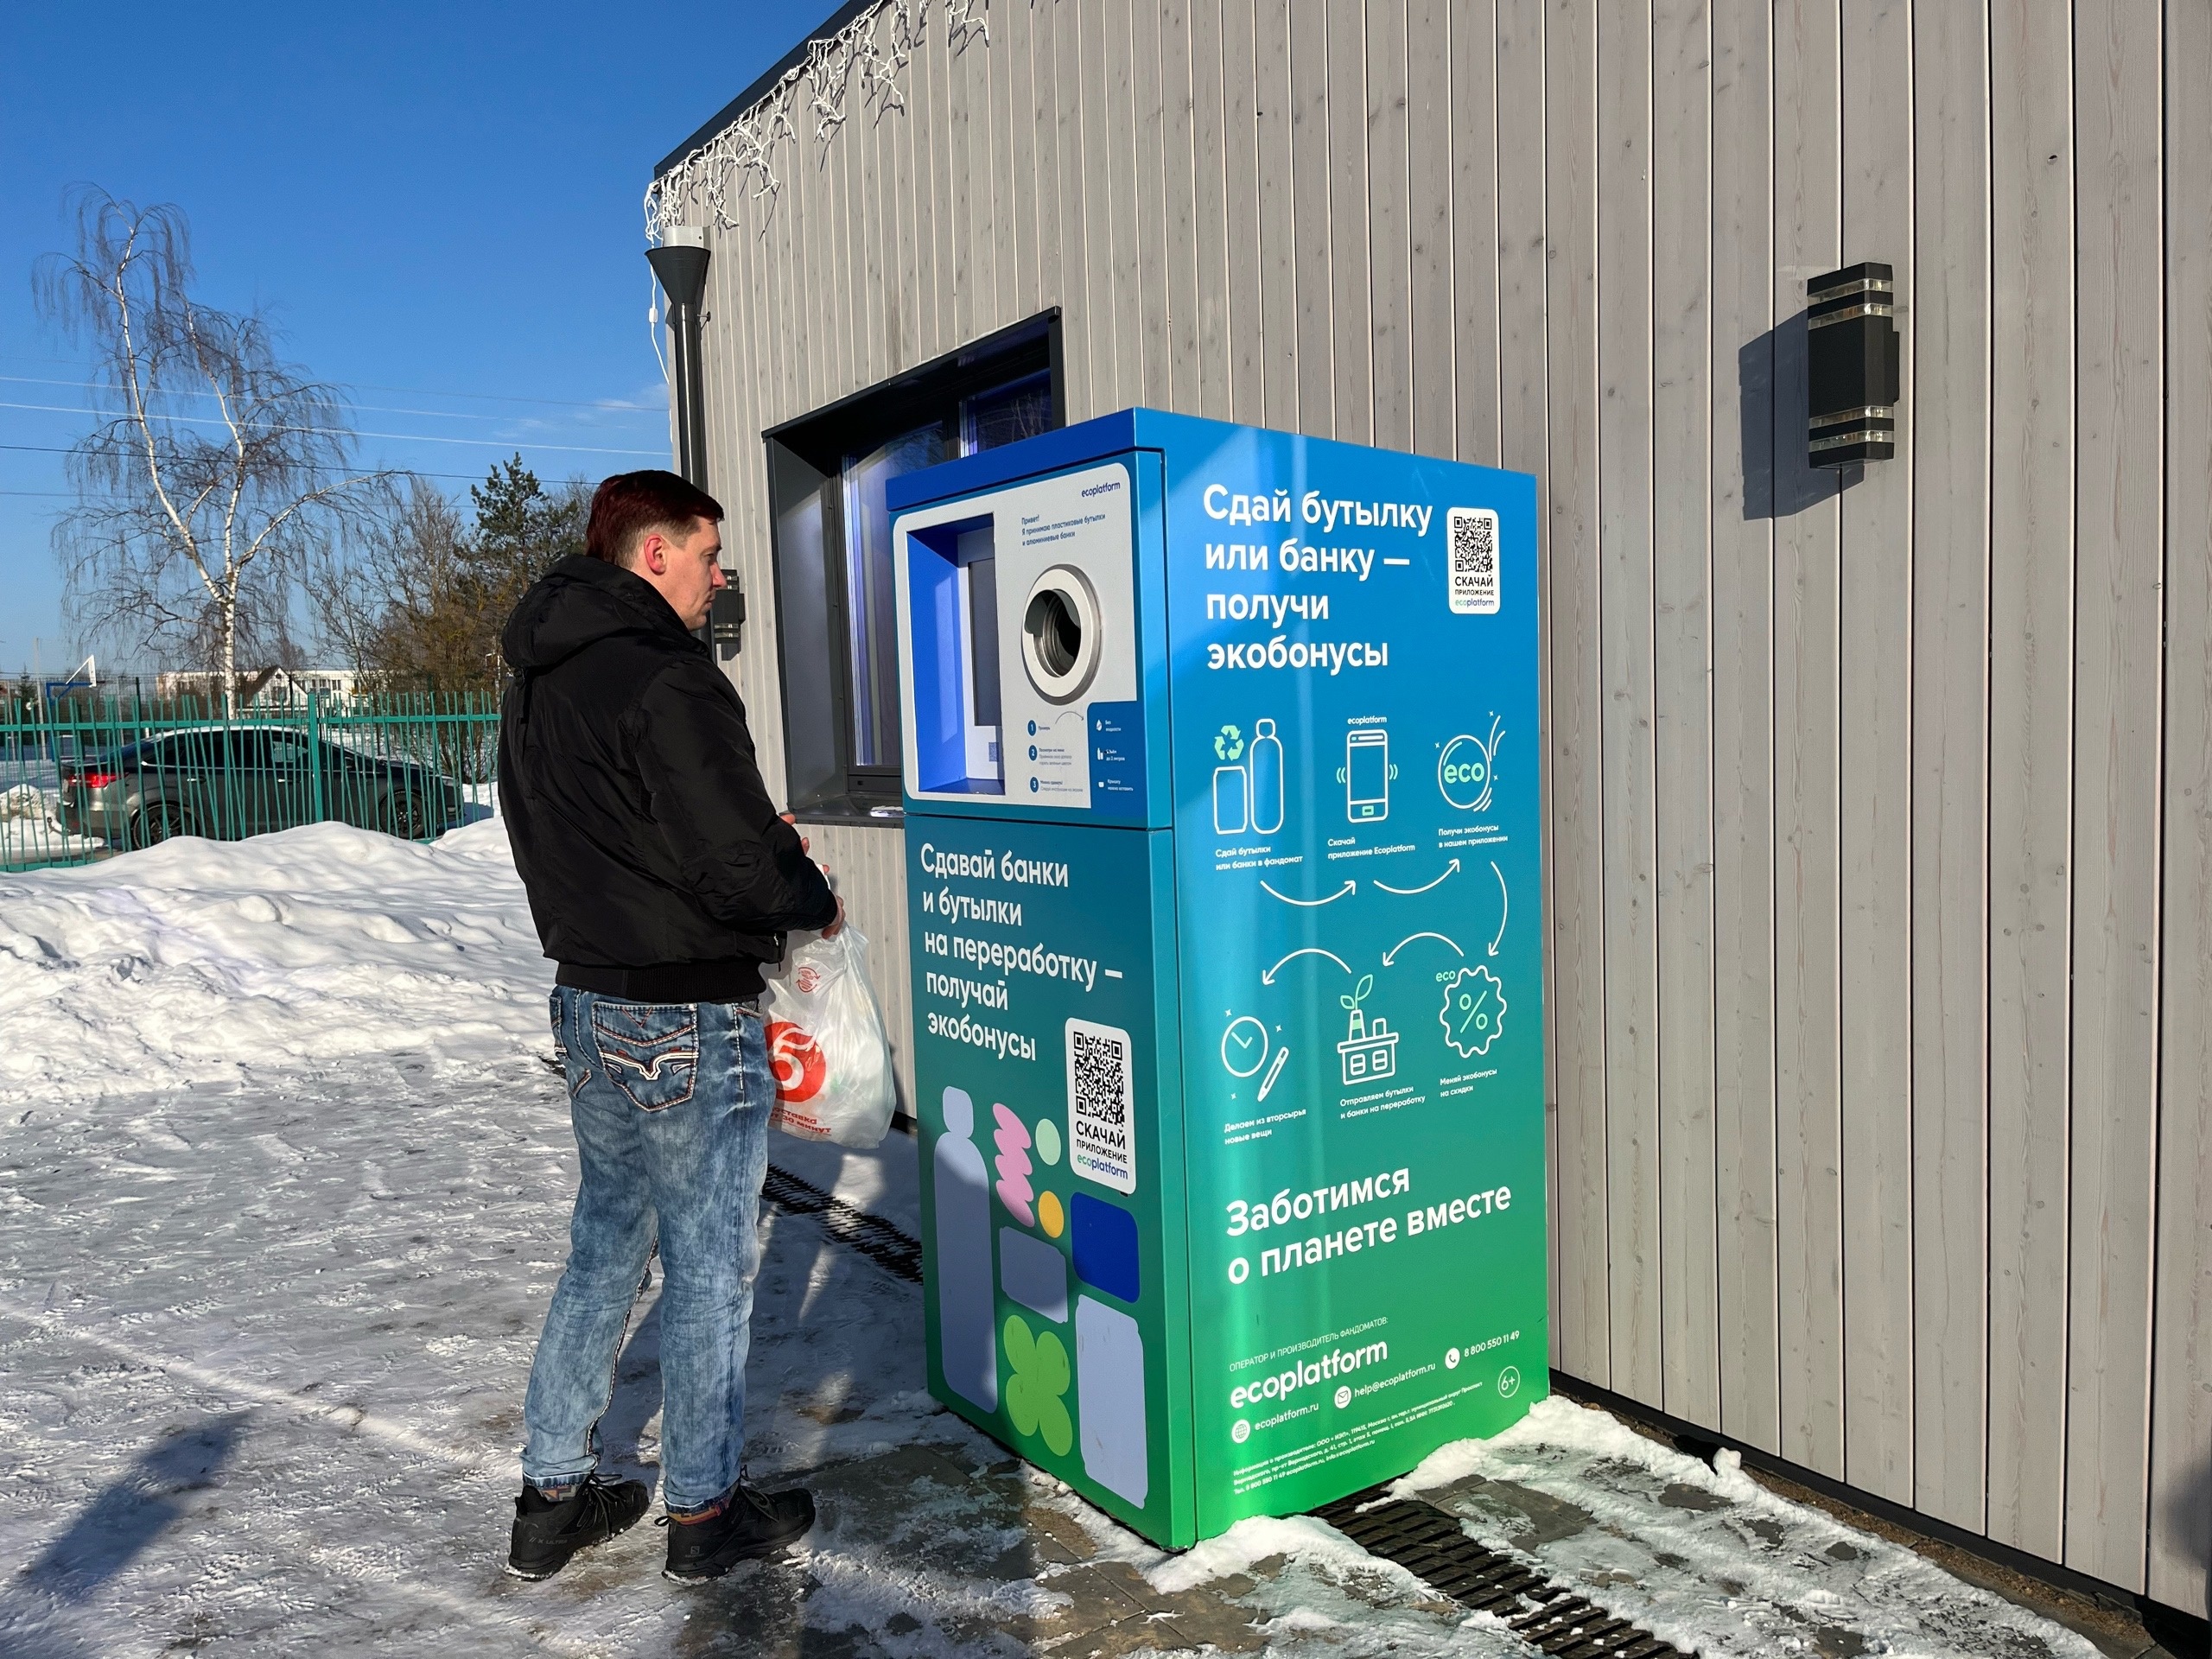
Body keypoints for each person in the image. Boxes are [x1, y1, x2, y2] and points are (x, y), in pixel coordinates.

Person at [495, 469, 842, 1584]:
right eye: (708, 553)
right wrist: (804, 890)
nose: (719, 574)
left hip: (589, 999)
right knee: (706, 1272)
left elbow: (604, 833)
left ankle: (552, 1499)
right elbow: (735, 864)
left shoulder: (537, 680)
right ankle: (702, 1515)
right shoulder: (667, 679)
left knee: (604, 1247)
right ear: (656, 555)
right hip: (687, 1010)